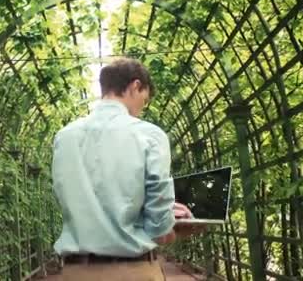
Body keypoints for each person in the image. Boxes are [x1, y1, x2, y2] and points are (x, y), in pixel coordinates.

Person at [51, 57, 206, 280]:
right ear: (135, 86)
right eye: (145, 99)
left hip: (75, 272)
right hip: (133, 271)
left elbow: (71, 199)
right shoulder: (149, 135)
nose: (142, 108)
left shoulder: (64, 138)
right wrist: (175, 227)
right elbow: (159, 227)